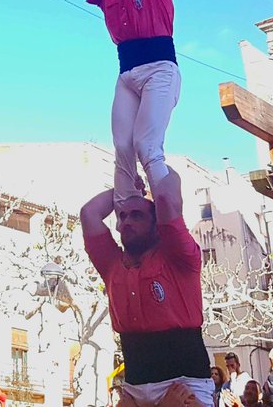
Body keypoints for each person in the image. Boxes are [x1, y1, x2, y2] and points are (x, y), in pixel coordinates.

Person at [80, 167, 213, 406]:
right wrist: (124, 189)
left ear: (156, 224)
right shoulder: (112, 264)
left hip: (183, 383)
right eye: (122, 216)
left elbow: (167, 194)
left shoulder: (179, 257)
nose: (127, 221)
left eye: (137, 215)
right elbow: (89, 213)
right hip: (136, 386)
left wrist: (150, 163)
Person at [72, 0, 178, 203]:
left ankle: (169, 215)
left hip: (159, 69)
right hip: (127, 74)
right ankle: (127, 214)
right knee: (122, 147)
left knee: (147, 145)